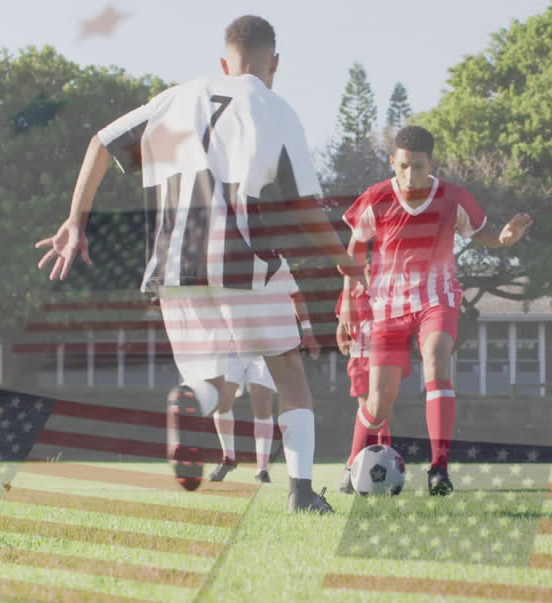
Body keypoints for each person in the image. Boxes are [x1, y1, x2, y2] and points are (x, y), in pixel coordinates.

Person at [36, 15, 357, 513]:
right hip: (245, 264)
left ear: (224, 63)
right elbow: (305, 209)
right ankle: (301, 493)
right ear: (274, 63)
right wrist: (347, 264)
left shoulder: (173, 100)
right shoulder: (274, 108)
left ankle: (193, 405)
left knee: (219, 387)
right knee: (288, 371)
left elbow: (101, 142)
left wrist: (76, 220)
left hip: (174, 268)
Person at [338, 126, 532, 495]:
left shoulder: (453, 198)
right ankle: (352, 466)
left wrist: (504, 239)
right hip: (388, 307)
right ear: (392, 162)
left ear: (432, 164)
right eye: (403, 166)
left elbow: (483, 233)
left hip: (436, 299)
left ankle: (439, 469)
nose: (410, 174)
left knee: (436, 360)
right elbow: (354, 249)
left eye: (419, 166)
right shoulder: (376, 198)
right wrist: (348, 302)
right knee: (379, 403)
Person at [208, 279, 322, 485]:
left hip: (264, 342)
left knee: (262, 403)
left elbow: (295, 295)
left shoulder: (274, 265)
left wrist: (307, 331)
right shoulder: (221, 264)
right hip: (231, 344)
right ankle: (228, 457)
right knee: (222, 401)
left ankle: (262, 469)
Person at [334, 265, 405, 494]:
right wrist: (343, 338)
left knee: (384, 414)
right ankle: (355, 467)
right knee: (369, 412)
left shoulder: (389, 290)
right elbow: (342, 323)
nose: (369, 268)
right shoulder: (352, 292)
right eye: (366, 264)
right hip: (361, 359)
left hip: (385, 357)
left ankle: (382, 465)